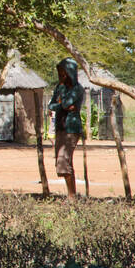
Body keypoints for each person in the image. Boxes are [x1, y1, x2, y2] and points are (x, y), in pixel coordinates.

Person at [49, 57, 85, 197]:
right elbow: (52, 105)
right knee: (61, 162)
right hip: (60, 127)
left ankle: (72, 196)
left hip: (72, 128)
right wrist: (62, 105)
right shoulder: (60, 87)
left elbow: (64, 103)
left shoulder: (77, 88)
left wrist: (61, 104)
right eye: (59, 73)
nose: (61, 76)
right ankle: (72, 194)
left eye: (63, 73)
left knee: (64, 160)